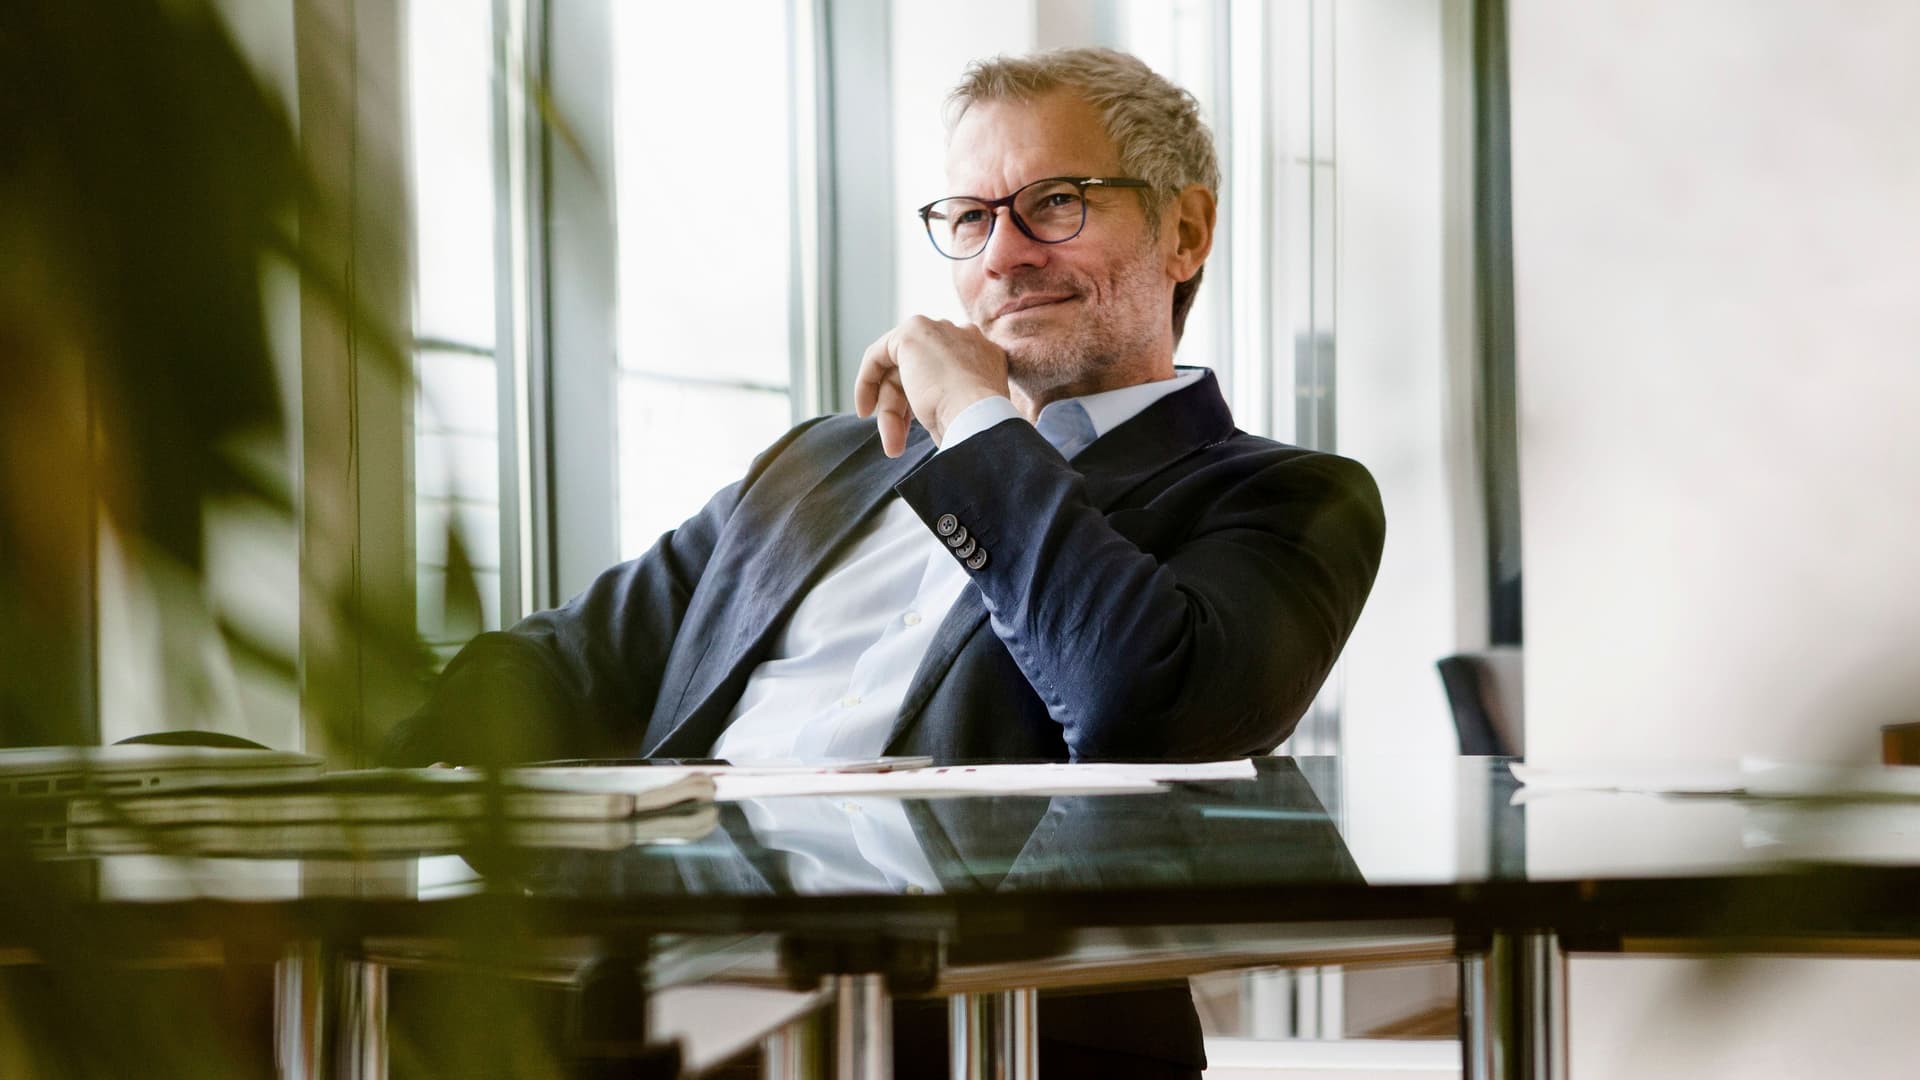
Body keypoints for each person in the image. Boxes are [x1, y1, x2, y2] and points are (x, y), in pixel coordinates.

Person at [390, 46, 1386, 1078]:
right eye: (970, 217)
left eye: (1055, 203)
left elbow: (1147, 701)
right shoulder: (821, 460)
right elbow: (569, 659)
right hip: (646, 989)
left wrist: (975, 421)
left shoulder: (1287, 497)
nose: (1002, 256)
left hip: (970, 1026)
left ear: (1185, 230)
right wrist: (365, 788)